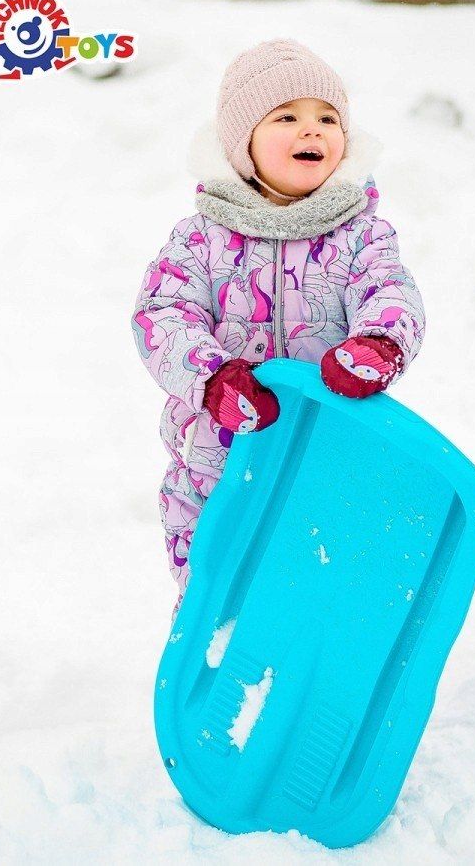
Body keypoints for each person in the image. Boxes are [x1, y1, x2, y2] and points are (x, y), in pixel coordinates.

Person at [131, 38, 425, 623]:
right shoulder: (201, 238)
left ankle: (317, 664)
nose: (310, 131)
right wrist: (213, 379)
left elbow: (390, 291)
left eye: (327, 118)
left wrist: (378, 344)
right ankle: (217, 660)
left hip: (331, 449)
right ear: (243, 145)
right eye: (286, 117)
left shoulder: (361, 235)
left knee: (324, 576)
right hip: (219, 455)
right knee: (221, 579)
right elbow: (162, 314)